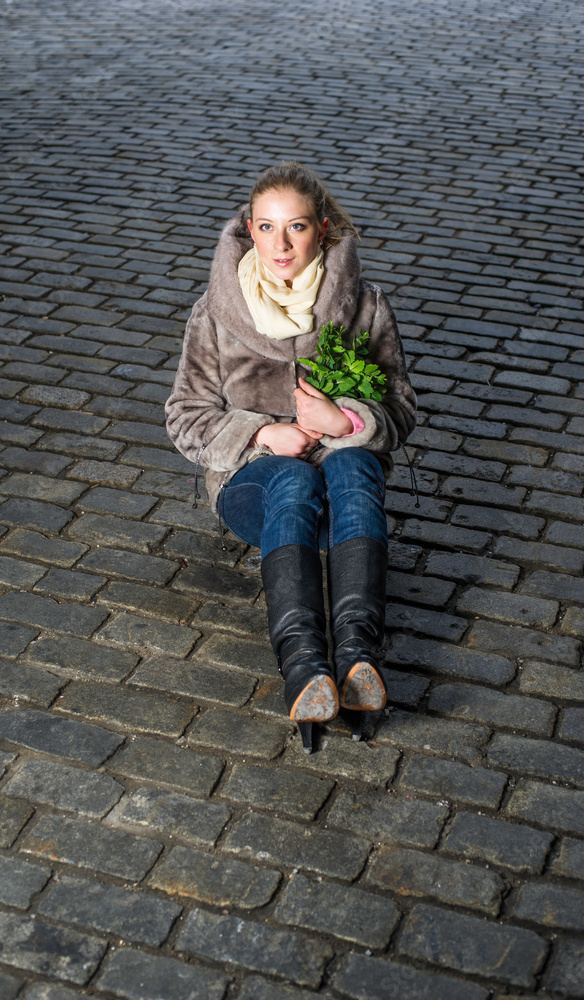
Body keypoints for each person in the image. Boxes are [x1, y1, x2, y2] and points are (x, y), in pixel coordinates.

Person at [165, 161, 417, 752]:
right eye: (267, 227)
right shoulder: (216, 312)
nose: (280, 244)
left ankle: (358, 660)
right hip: (254, 485)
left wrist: (346, 422)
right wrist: (261, 434)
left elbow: (401, 410)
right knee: (293, 484)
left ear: (321, 230)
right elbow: (184, 416)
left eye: (296, 227)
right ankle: (304, 668)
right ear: (248, 230)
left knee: (353, 463)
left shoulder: (364, 306)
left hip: (344, 500)